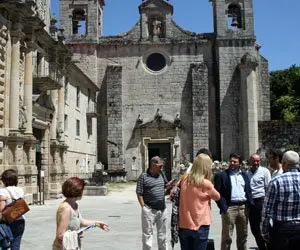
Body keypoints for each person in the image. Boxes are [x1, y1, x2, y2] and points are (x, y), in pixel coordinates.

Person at [53, 177, 109, 250]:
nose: (83, 192)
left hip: (74, 246)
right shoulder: (66, 208)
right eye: (82, 190)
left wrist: (97, 224)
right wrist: (76, 235)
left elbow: (81, 221)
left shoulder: (74, 205)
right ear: (77, 191)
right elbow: (60, 235)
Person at [178, 154, 220, 250]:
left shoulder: (184, 179)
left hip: (184, 224)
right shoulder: (205, 183)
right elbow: (217, 197)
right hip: (200, 224)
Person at [261, 150, 300, 250]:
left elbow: (266, 211)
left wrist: (265, 232)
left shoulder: (276, 182)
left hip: (282, 229)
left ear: (283, 164)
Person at [214, 153, 254, 250]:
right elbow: (217, 193)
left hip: (243, 208)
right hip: (230, 208)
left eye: (235, 162)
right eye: (231, 161)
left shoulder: (244, 175)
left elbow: (248, 190)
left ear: (239, 163)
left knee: (243, 236)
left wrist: (250, 204)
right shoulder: (222, 175)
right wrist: (224, 207)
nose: (232, 163)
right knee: (227, 237)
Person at [136, 156, 174, 250]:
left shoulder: (161, 174)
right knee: (147, 235)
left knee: (163, 235)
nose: (162, 168)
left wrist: (169, 185)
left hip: (162, 209)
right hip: (149, 210)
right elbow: (139, 192)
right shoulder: (143, 176)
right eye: (160, 166)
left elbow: (164, 187)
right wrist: (143, 207)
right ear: (153, 165)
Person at [246, 153, 271, 250]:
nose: (256, 163)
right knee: (254, 228)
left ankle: (269, 246)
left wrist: (266, 204)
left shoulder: (265, 171)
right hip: (251, 203)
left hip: (261, 202)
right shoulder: (247, 173)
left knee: (264, 226)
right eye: (254, 161)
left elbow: (268, 188)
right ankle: (261, 247)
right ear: (250, 161)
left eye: (258, 161)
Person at [0, 169, 25, 250]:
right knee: (16, 245)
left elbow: (2, 208)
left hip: (7, 221)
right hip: (20, 219)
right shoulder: (20, 190)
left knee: (4, 243)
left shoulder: (2, 191)